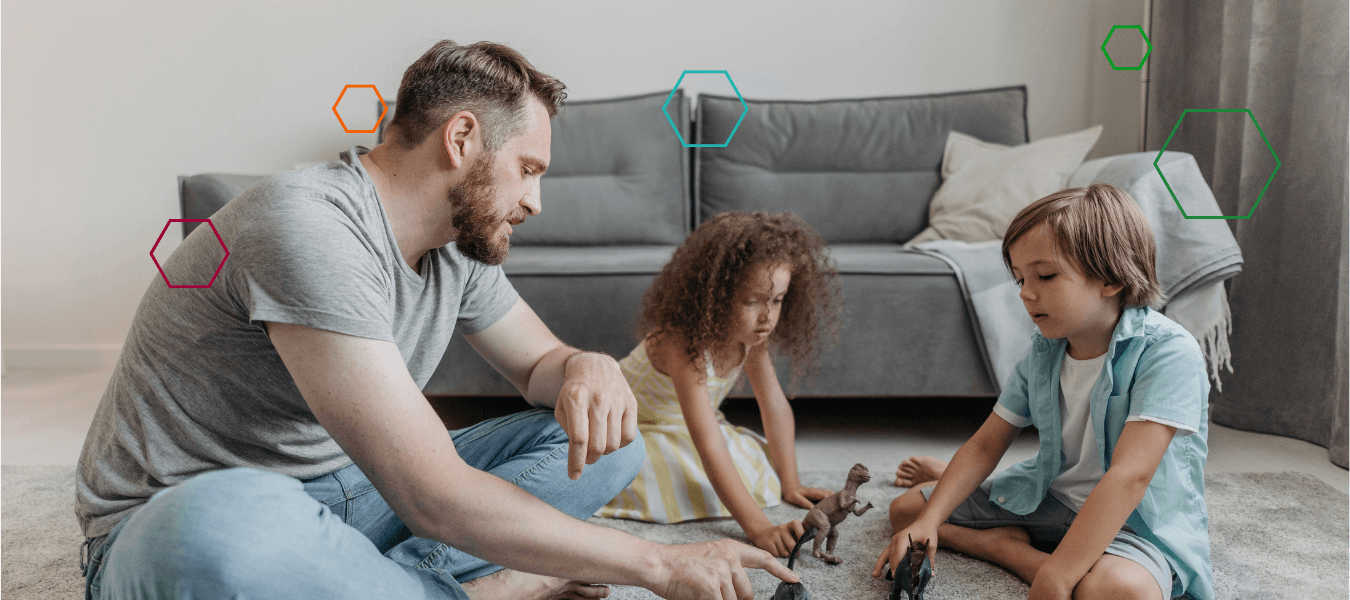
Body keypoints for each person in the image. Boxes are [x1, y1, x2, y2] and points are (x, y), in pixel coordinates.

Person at [75, 40, 797, 600]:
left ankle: (413, 581)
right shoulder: (308, 228)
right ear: (462, 140)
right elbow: (432, 496)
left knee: (615, 441)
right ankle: (483, 585)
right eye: (529, 169)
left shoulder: (460, 249)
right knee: (226, 519)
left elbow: (539, 365)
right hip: (175, 520)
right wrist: (659, 566)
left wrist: (586, 366)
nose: (535, 202)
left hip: (346, 491)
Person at [872, 184, 1213, 600]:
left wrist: (1058, 576)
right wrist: (929, 522)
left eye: (1045, 276)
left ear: (1109, 277)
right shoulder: (1044, 351)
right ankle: (1002, 540)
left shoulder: (1167, 352)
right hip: (1052, 498)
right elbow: (984, 447)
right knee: (907, 513)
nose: (1025, 293)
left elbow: (1129, 476)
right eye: (1019, 279)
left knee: (1118, 592)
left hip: (1132, 520)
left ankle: (1006, 547)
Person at [596, 212, 842, 558]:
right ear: (713, 295)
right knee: (677, 479)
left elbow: (773, 405)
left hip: (687, 426)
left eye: (777, 300)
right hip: (633, 429)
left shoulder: (752, 338)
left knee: (754, 463)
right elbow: (708, 443)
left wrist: (791, 481)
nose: (767, 317)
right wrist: (759, 528)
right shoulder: (681, 343)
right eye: (753, 301)